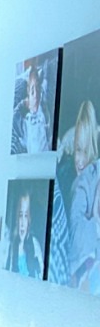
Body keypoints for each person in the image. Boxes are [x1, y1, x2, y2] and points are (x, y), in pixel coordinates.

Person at [68, 100, 99, 291]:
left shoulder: (89, 180)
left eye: (85, 151)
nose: (79, 160)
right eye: (77, 150)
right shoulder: (78, 184)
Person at [4, 190, 44, 278]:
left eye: (25, 216)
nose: (22, 223)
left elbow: (41, 274)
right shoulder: (9, 244)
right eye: (20, 215)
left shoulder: (34, 245)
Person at [12, 65, 51, 154]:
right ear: (28, 95)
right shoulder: (26, 123)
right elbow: (14, 118)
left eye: (38, 89)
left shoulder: (44, 112)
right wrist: (23, 104)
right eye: (32, 91)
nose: (35, 95)